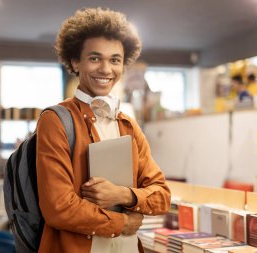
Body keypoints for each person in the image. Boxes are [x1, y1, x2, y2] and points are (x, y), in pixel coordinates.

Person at [36, 7, 171, 253]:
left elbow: (161, 195)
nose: (106, 69)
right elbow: (58, 208)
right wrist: (122, 222)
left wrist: (122, 195)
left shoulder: (127, 125)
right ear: (76, 61)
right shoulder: (55, 120)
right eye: (95, 58)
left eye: (115, 60)